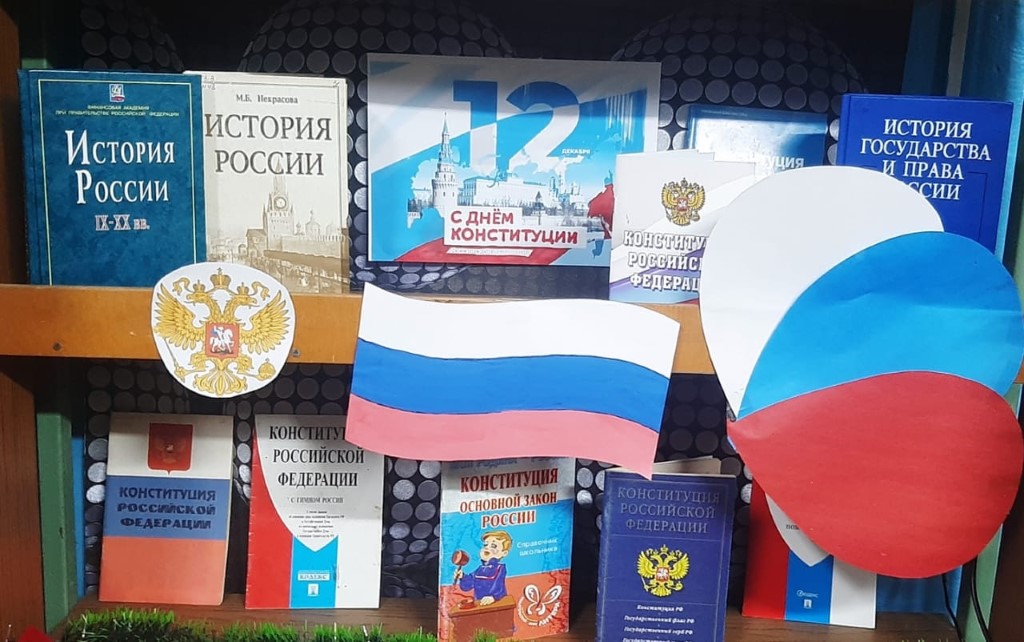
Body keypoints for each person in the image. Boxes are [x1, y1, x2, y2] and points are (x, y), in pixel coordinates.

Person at [453, 530, 512, 605]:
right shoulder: (479, 570)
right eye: (485, 545)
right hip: (480, 604)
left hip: (497, 603)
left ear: (504, 553)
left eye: (493, 546)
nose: (487, 548)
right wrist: (462, 577)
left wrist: (493, 597)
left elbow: (499, 586)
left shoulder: (500, 568)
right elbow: (467, 586)